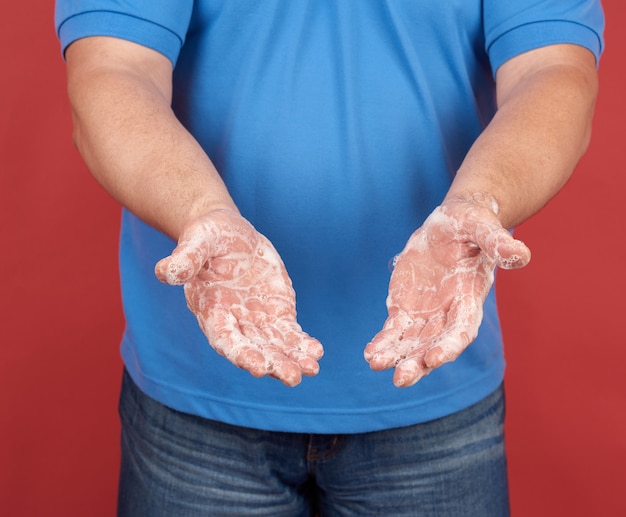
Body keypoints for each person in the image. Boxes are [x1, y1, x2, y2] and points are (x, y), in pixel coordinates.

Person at [55, 1, 604, 515]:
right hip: (196, 396)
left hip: (432, 387)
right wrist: (200, 211)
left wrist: (479, 200)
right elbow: (113, 69)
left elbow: (553, 69)